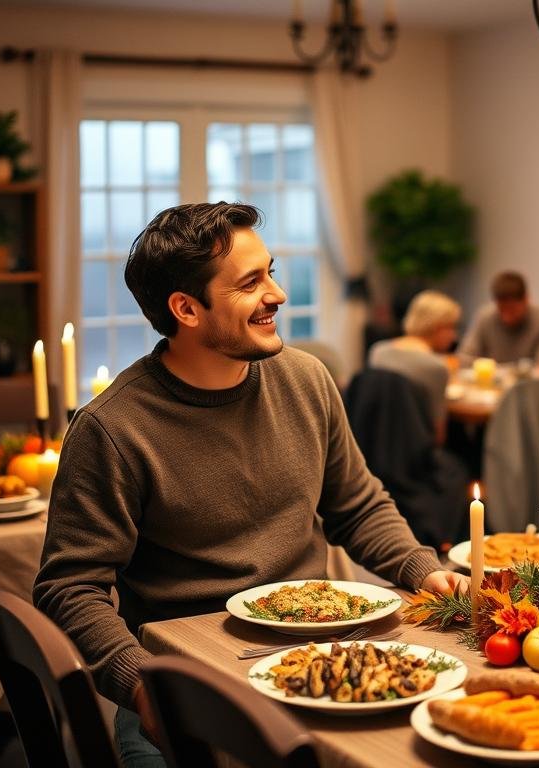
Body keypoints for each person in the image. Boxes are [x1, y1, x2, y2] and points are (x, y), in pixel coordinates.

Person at [33, 203, 467, 767]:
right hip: (187, 685)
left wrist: (425, 570)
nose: (277, 295)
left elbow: (356, 507)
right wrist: (140, 684)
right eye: (250, 283)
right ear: (186, 308)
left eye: (271, 271)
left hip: (321, 659)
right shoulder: (111, 429)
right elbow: (70, 589)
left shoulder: (307, 380)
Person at [368, 289, 461, 445]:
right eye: (451, 327)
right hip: (415, 456)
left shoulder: (377, 351)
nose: (454, 336)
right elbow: (439, 437)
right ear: (436, 327)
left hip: (374, 448)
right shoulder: (436, 367)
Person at [458, 271, 539, 364]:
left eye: (512, 310)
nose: (506, 317)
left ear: (526, 300)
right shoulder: (485, 316)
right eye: (501, 310)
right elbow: (464, 356)